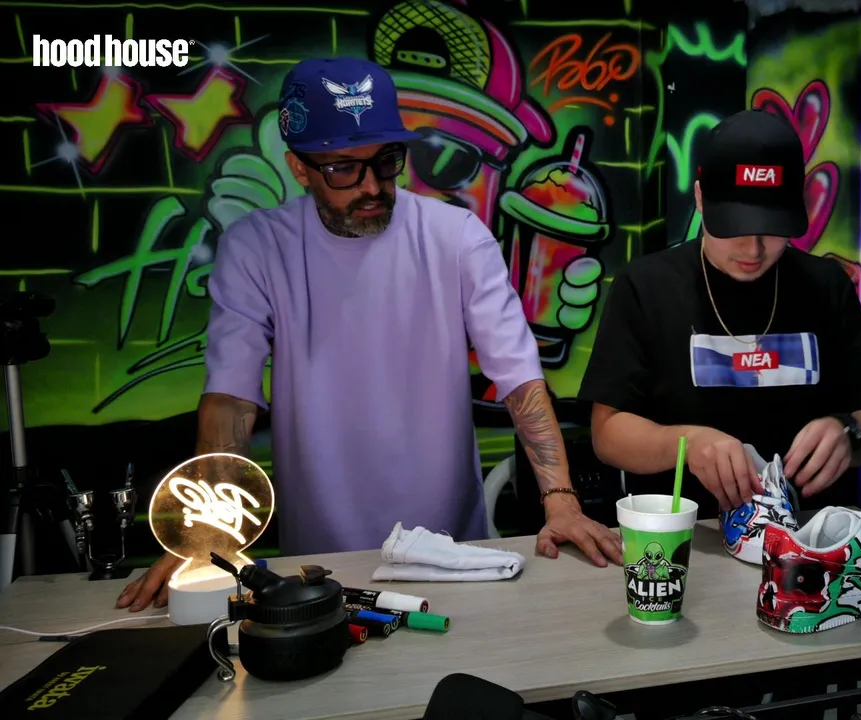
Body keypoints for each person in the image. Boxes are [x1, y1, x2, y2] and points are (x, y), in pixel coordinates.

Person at [116, 57, 622, 613]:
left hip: (456, 554)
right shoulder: (256, 247)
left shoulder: (456, 235)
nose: (372, 187)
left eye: (386, 161)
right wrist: (210, 532)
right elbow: (231, 398)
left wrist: (561, 499)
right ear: (299, 167)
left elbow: (518, 375)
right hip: (321, 560)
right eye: (343, 169)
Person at [579, 109, 861, 519]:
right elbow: (607, 434)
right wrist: (688, 444)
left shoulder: (826, 285)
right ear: (701, 198)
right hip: (684, 533)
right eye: (735, 228)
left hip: (808, 534)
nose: (753, 250)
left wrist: (848, 432)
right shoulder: (645, 287)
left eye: (771, 229)